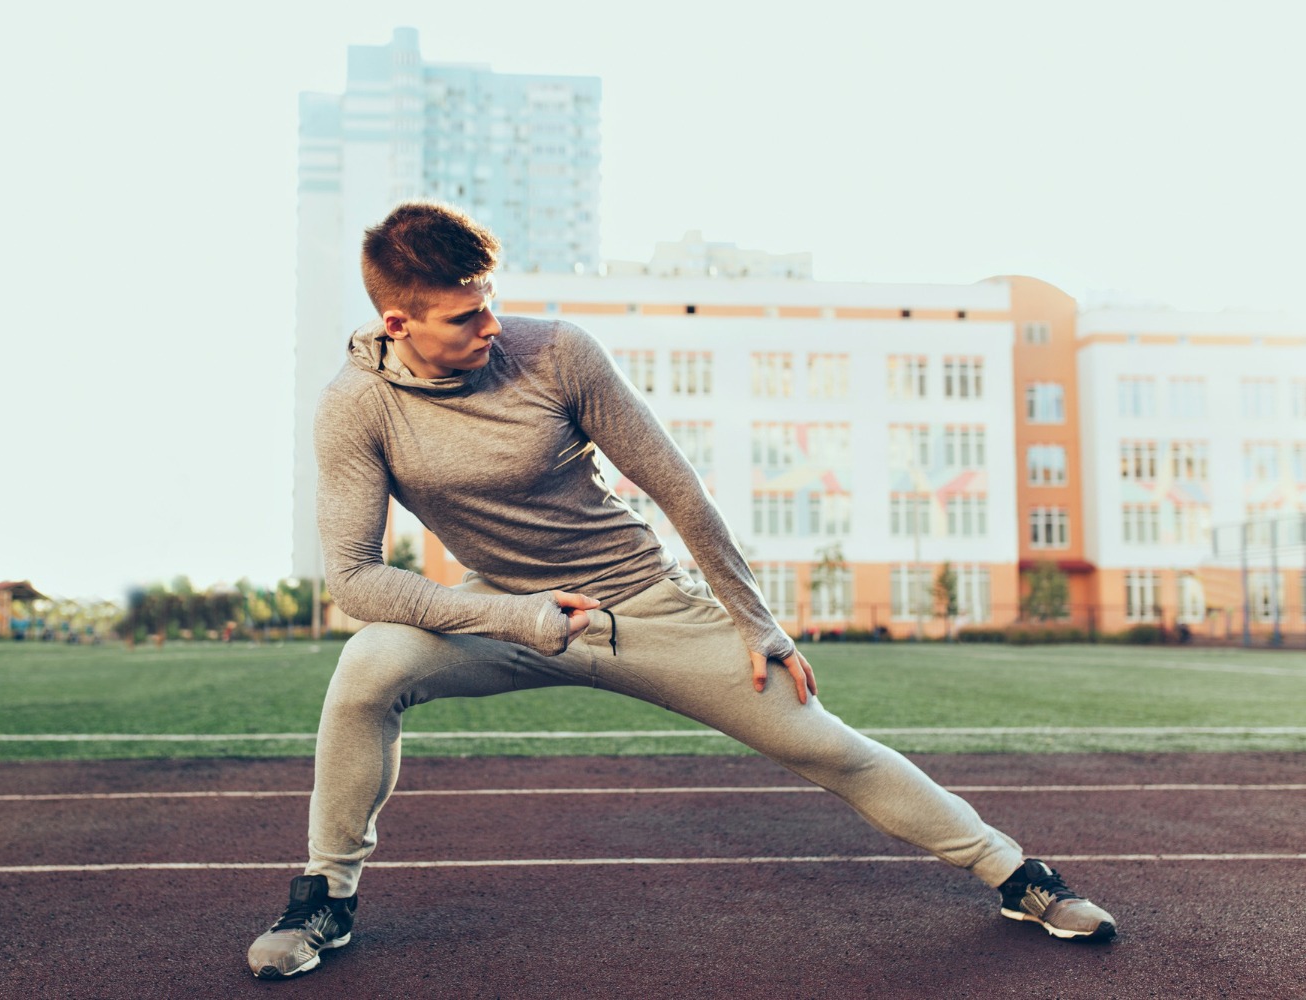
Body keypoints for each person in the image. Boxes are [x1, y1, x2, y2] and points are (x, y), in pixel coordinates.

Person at [247, 202, 1116, 979]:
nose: (491, 324)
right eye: (467, 316)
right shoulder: (356, 406)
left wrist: (756, 621)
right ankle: (327, 895)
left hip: (639, 607)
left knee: (825, 743)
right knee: (368, 667)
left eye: (493, 302)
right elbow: (356, 579)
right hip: (505, 613)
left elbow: (677, 487)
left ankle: (1018, 877)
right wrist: (514, 614)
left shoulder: (555, 354)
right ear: (398, 322)